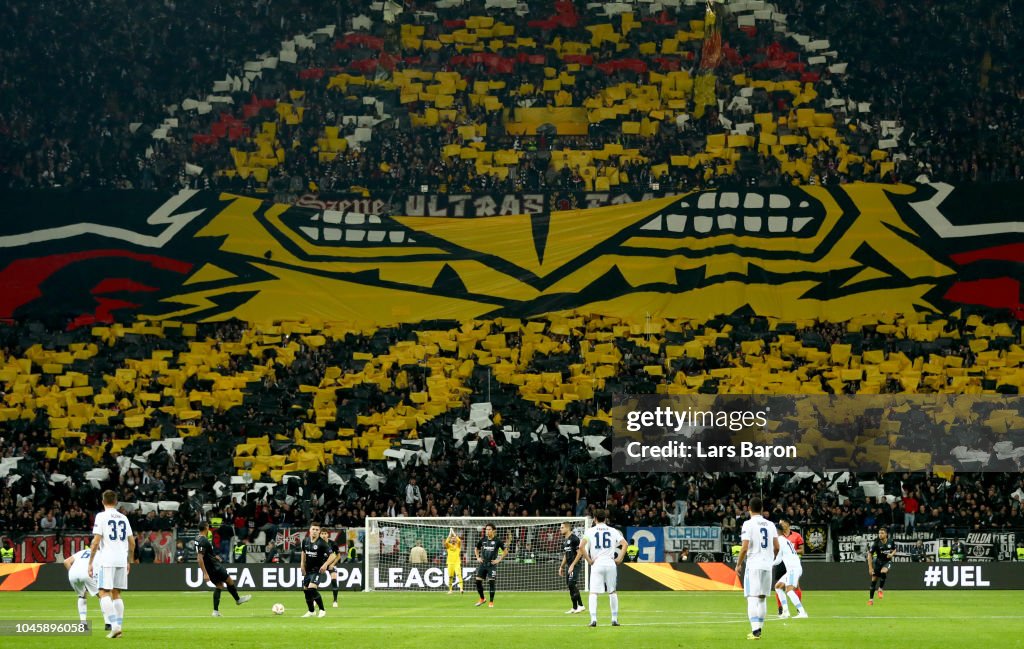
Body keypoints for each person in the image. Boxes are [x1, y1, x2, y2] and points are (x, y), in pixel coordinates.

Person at [88, 490, 135, 639]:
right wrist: (129, 560)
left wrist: (90, 562)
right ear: (116, 502)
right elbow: (132, 542)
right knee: (116, 593)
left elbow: (96, 541)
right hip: (121, 559)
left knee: (103, 592)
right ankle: (119, 626)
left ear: (103, 501)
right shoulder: (123, 518)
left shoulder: (101, 516)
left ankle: (114, 626)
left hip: (107, 559)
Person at [736, 497, 779, 641]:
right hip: (767, 565)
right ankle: (758, 629)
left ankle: (755, 630)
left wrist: (738, 564)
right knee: (762, 598)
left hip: (753, 564)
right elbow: (777, 547)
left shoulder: (747, 524)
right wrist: (770, 559)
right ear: (761, 509)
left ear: (749, 509)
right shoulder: (771, 525)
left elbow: (744, 547)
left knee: (751, 598)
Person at [581, 509, 627, 627]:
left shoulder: (590, 531)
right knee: (612, 592)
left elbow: (581, 547)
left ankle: (593, 620)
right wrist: (620, 559)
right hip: (610, 563)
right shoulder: (613, 530)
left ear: (595, 519)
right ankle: (614, 619)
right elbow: (625, 544)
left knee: (593, 593)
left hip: (597, 564)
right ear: (605, 519)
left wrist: (589, 560)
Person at [195, 520, 251, 616]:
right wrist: (205, 573)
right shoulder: (203, 540)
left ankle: (215, 611)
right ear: (206, 527)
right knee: (229, 580)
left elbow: (204, 554)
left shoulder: (197, 538)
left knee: (219, 586)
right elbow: (199, 558)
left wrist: (214, 556)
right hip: (214, 567)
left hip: (210, 566)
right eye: (208, 526)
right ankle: (238, 599)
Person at [63, 547, 102, 628]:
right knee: (102, 596)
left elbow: (66, 562)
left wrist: (74, 572)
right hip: (87, 573)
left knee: (82, 595)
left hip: (72, 573)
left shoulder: (82, 552)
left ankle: (83, 623)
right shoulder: (100, 553)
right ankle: (108, 623)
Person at [299, 522, 332, 617]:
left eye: (317, 530)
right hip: (307, 570)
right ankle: (311, 611)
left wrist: (325, 565)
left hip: (317, 570)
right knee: (306, 590)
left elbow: (332, 555)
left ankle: (322, 610)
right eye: (313, 529)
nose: (315, 531)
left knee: (312, 588)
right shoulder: (305, 540)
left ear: (319, 532)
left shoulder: (322, 543)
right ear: (310, 530)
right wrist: (302, 564)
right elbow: (303, 552)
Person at [773, 532, 807, 619]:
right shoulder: (785, 540)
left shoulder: (780, 541)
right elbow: (779, 558)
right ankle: (786, 611)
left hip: (793, 569)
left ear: (777, 532)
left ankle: (802, 612)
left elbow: (778, 559)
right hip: (792, 569)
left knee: (789, 590)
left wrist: (769, 564)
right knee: (778, 587)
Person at [473, 523, 505, 608]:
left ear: (493, 530)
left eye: (489, 529)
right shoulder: (483, 540)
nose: (487, 531)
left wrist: (499, 560)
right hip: (483, 564)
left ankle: (491, 602)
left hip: (492, 564)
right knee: (477, 581)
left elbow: (505, 550)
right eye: (486, 529)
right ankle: (482, 599)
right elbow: (476, 548)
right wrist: (478, 557)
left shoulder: (497, 541)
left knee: (491, 582)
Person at [557, 522, 584, 614]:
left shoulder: (574, 538)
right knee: (570, 585)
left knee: (572, 584)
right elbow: (566, 555)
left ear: (568, 528)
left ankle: (581, 605)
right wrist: (561, 566)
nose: (560, 529)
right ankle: (574, 607)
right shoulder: (565, 541)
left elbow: (580, 553)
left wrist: (572, 565)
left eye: (562, 527)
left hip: (575, 565)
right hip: (569, 566)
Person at [867, 527, 898, 605]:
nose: (880, 535)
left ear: (886, 534)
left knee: (883, 572)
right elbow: (869, 555)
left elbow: (894, 550)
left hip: (887, 562)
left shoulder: (891, 541)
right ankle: (871, 600)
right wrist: (870, 568)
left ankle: (880, 589)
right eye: (879, 533)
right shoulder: (876, 543)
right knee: (873, 581)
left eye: (882, 533)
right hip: (878, 563)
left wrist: (891, 554)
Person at [319, 530, 342, 608]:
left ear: (327, 535)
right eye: (322, 533)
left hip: (330, 564)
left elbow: (338, 556)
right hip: (320, 564)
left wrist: (332, 564)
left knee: (334, 577)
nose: (323, 535)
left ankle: (335, 601)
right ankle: (314, 600)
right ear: (320, 534)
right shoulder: (317, 543)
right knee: (314, 581)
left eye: (325, 533)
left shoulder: (333, 543)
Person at [444, 529, 464, 595]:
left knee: (459, 575)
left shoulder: (458, 545)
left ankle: (461, 588)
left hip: (457, 563)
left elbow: (459, 540)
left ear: (455, 539)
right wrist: (449, 535)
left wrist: (454, 534)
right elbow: (446, 543)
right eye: (452, 539)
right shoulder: (449, 546)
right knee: (450, 576)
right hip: (450, 563)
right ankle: (450, 590)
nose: (453, 539)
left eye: (454, 538)